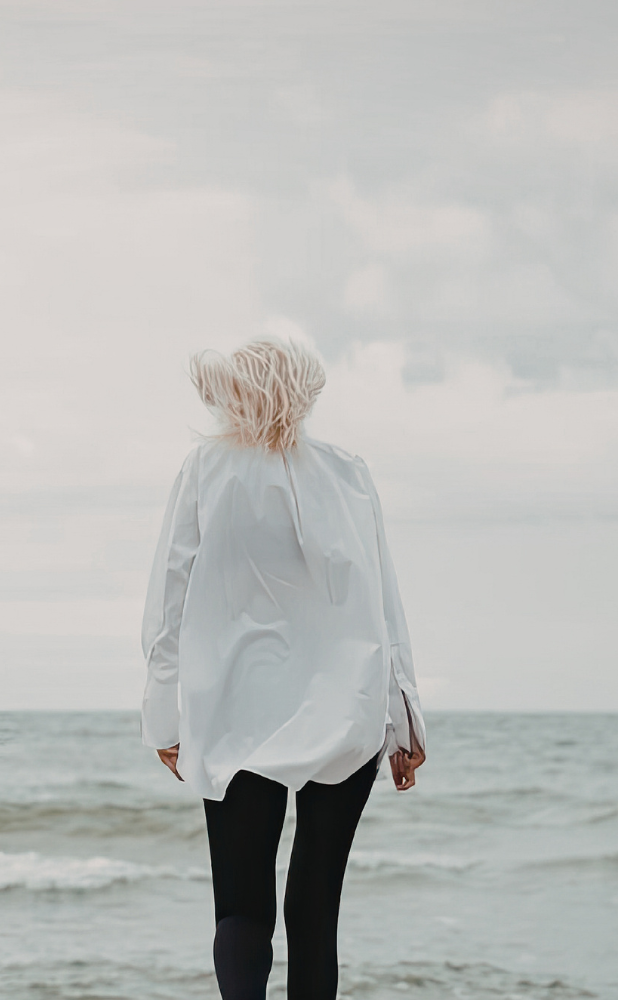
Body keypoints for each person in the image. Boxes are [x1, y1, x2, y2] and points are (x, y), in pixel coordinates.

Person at [140, 338, 426, 1000]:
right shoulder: (350, 471)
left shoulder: (205, 467)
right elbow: (385, 604)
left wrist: (163, 716)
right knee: (315, 913)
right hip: (347, 711)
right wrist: (404, 721)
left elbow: (168, 599)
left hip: (237, 714)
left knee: (241, 910)